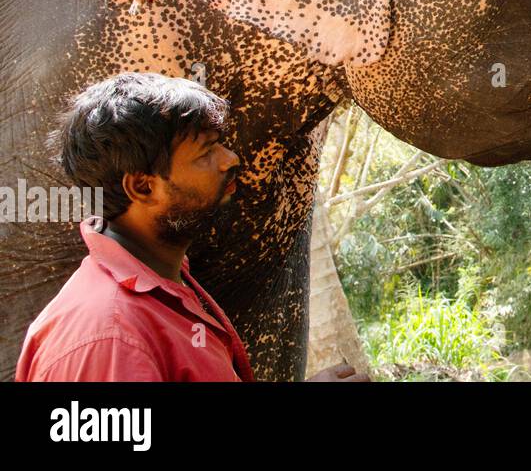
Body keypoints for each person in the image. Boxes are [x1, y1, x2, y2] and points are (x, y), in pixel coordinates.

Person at [16, 72, 363, 382]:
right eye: (205, 153)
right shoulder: (109, 339)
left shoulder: (164, 277)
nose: (230, 158)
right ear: (143, 187)